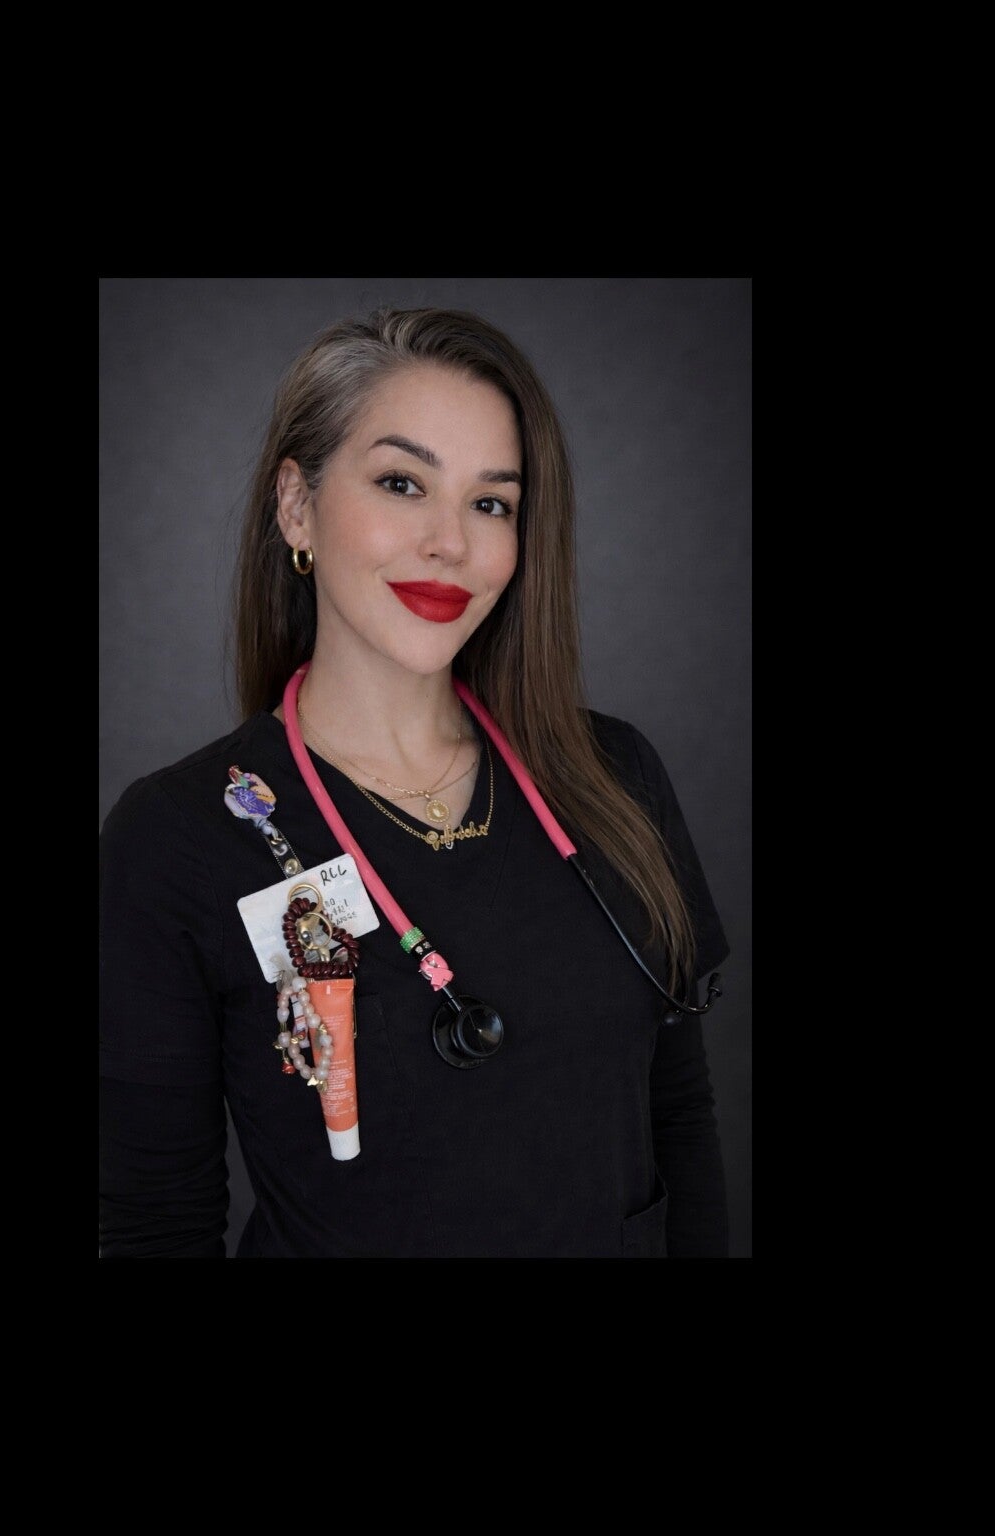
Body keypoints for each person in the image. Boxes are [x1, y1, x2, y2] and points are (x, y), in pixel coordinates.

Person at [99, 305, 731, 1258]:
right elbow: (155, 1222)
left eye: (492, 503)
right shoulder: (178, 836)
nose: (450, 544)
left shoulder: (616, 777)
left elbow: (676, 1113)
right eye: (403, 483)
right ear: (296, 506)